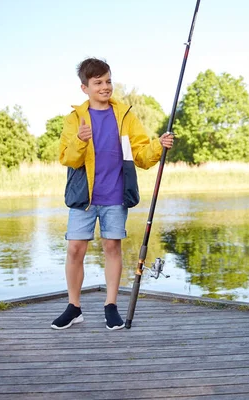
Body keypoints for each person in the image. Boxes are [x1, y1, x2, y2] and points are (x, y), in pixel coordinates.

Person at [51, 58, 174, 331]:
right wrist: (80, 141)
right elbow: (67, 159)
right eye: (98, 83)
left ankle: (110, 305)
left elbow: (141, 155)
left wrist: (158, 146)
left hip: (115, 194)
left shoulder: (125, 116)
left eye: (108, 81)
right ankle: (74, 308)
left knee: (112, 247)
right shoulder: (75, 119)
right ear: (84, 88)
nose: (105, 87)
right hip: (83, 197)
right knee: (74, 249)